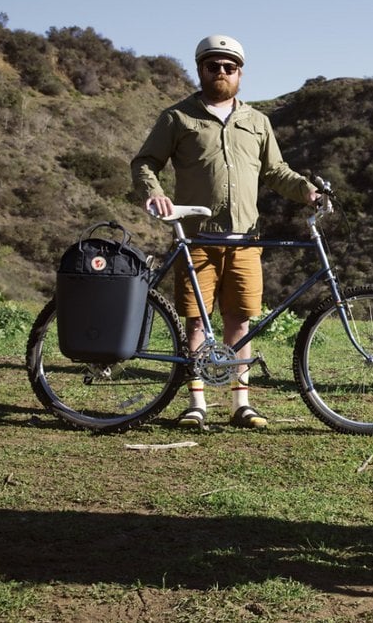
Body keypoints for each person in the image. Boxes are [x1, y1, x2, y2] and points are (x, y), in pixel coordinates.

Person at [132, 34, 318, 430]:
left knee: (240, 320)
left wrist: (306, 190)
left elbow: (275, 172)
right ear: (200, 69)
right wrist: (156, 194)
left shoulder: (257, 121)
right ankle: (196, 402)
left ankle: (241, 404)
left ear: (240, 74)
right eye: (213, 65)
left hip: (245, 240)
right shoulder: (177, 117)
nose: (221, 72)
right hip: (196, 239)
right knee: (197, 322)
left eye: (229, 67)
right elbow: (145, 162)